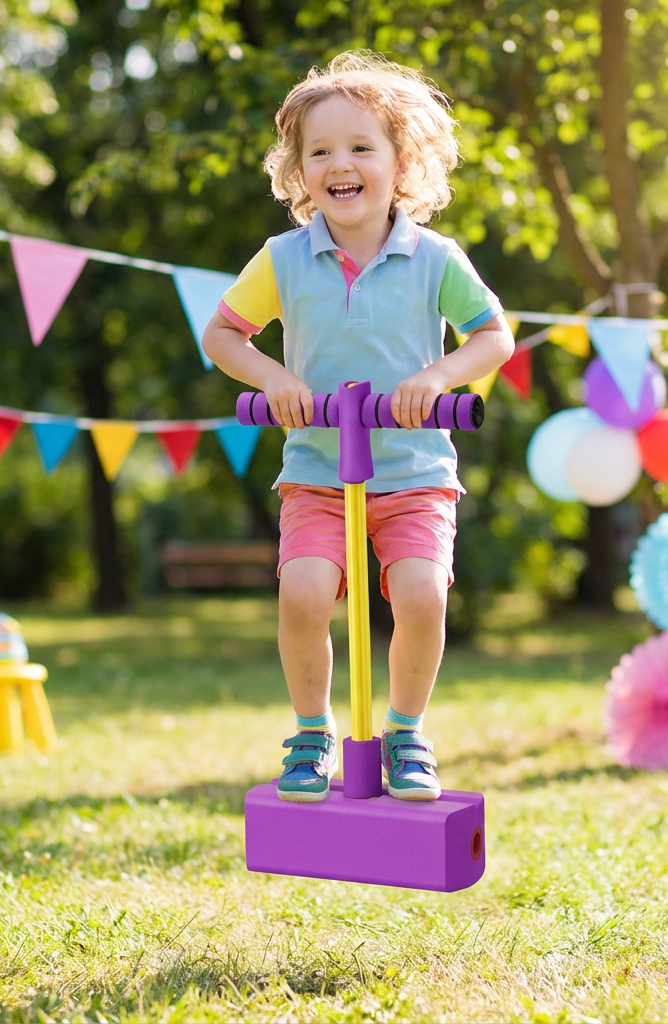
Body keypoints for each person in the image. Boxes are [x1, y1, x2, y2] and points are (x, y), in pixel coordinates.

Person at [203, 51, 514, 803]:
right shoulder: (282, 259)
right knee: (304, 593)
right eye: (320, 151)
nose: (340, 164)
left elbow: (493, 337)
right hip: (316, 467)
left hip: (412, 473)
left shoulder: (435, 258)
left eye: (360, 147)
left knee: (421, 596)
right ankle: (312, 733)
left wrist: (437, 377)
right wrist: (275, 378)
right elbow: (221, 336)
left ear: (401, 162)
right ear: (299, 171)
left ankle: (406, 731)